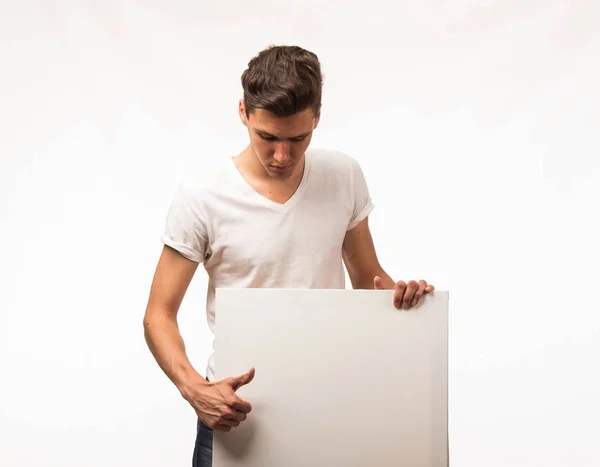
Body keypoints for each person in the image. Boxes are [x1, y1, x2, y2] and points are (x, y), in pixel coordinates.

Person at [142, 44, 435, 467]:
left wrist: (405, 301)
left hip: (330, 395)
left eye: (299, 139)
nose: (283, 155)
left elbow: (369, 278)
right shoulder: (202, 196)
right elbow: (158, 314)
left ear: (317, 118)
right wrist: (194, 389)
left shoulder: (343, 175)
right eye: (268, 137)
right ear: (243, 112)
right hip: (234, 407)